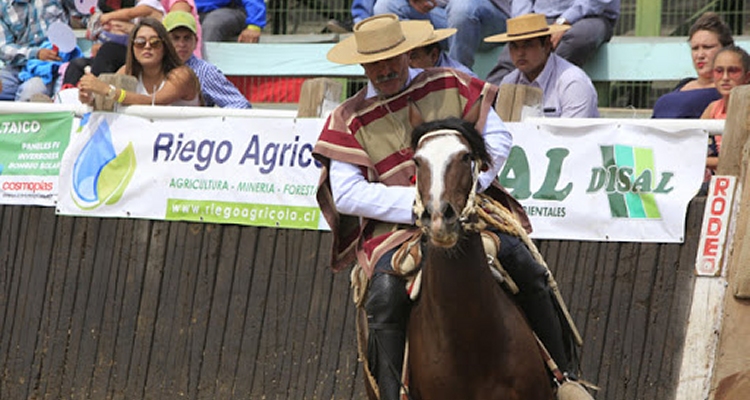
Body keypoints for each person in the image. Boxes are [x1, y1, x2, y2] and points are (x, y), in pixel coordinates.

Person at [313, 13, 589, 400]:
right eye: (374, 62)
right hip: (396, 228)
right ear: (362, 64)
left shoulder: (450, 83)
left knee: (523, 261)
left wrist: (465, 193)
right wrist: (419, 207)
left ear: (407, 54)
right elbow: (346, 193)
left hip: (468, 208)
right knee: (383, 295)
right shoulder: (346, 119)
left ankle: (564, 378)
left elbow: (497, 137)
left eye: (392, 58)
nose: (384, 69)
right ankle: (392, 395)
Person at [485, 13, 599, 118]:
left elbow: (573, 136)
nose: (520, 53)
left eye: (528, 45)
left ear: (547, 45)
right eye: (514, 46)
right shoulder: (509, 82)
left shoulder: (572, 83)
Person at [485, 0, 620, 85]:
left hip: (589, 16)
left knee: (576, 40)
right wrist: (525, 22)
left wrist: (565, 20)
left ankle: (544, 94)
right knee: (511, 57)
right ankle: (482, 113)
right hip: (541, 16)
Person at [78, 17, 202, 106]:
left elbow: (154, 102)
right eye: (140, 42)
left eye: (155, 42)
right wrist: (89, 98)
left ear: (165, 47)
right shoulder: (128, 71)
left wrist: (109, 91)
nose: (147, 46)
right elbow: (104, 100)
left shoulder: (181, 75)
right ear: (132, 47)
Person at [652, 12, 735, 119]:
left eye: (707, 47)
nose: (700, 55)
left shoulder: (728, 91)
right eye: (695, 48)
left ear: (725, 49)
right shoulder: (684, 83)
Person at [163, 10, 250, 108]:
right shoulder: (155, 66)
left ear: (195, 41)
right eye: (175, 38)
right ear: (165, 41)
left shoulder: (205, 72)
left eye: (187, 38)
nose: (182, 44)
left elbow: (240, 104)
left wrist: (213, 121)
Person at [700, 45, 750, 188]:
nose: (725, 78)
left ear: (747, 77)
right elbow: (693, 146)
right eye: (719, 71)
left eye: (733, 71)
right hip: (721, 183)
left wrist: (703, 161)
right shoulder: (712, 108)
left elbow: (741, 161)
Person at [0, 0, 67, 101]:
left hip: (47, 69)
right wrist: (35, 53)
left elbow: (81, 12)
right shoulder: (3, 5)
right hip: (16, 67)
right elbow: (3, 48)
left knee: (29, 93)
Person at [446, 0, 510, 69]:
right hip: (451, 15)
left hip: (495, 14)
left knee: (462, 9)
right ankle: (437, 75)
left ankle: (458, 75)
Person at [408, 24, 475, 77]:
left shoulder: (464, 81)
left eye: (413, 57)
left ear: (434, 56)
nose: (407, 62)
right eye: (404, 55)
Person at [194, 0, 265, 43]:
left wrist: (254, 24)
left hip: (230, 10)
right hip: (191, 9)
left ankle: (205, 66)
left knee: (212, 24)